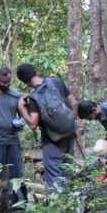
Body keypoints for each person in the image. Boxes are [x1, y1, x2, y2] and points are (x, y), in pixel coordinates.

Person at [16, 63, 79, 192]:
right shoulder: (55, 82)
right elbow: (74, 103)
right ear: (35, 71)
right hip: (69, 135)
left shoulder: (33, 97)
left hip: (52, 141)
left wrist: (22, 108)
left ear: (24, 81)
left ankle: (56, 209)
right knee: (67, 172)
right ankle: (70, 208)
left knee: (54, 178)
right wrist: (70, 122)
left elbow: (33, 124)